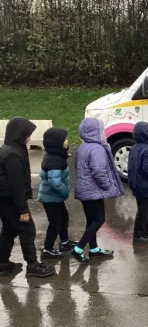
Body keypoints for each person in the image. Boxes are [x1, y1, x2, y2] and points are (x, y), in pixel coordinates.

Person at [0, 117, 55, 277]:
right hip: (10, 199)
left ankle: (2, 263)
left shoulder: (8, 149)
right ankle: (32, 266)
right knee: (27, 230)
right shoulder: (13, 155)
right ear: (20, 134)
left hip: (4, 199)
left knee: (9, 229)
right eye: (27, 133)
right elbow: (16, 185)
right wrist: (23, 210)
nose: (29, 136)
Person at [71, 118, 124, 263]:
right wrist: (107, 186)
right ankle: (79, 248)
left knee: (91, 220)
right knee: (99, 220)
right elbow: (98, 171)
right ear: (96, 131)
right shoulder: (97, 149)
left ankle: (93, 249)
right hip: (94, 192)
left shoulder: (84, 146)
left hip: (85, 190)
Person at [37, 127, 78, 260]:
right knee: (54, 222)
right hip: (51, 198)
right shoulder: (54, 160)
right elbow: (55, 182)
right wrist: (65, 191)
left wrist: (64, 155)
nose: (66, 141)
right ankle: (47, 249)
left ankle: (64, 242)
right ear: (56, 142)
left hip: (55, 198)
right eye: (63, 139)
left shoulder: (55, 156)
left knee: (64, 217)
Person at [128, 122, 148, 244]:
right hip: (145, 186)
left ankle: (145, 230)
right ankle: (139, 235)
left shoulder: (135, 147)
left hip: (137, 184)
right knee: (145, 211)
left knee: (145, 209)